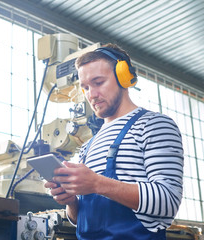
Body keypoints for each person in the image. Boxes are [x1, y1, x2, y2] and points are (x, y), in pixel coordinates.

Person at [44, 43, 184, 239]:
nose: (91, 94)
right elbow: (77, 219)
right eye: (85, 87)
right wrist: (71, 202)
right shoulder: (88, 146)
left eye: (98, 82)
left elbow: (168, 202)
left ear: (123, 77)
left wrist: (96, 183)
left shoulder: (154, 125)